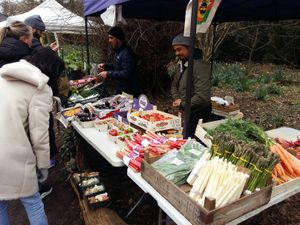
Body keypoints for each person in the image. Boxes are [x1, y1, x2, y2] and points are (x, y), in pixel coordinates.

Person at [0, 48, 65, 225]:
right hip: (11, 153)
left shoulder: (4, 75)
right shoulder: (41, 89)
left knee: (0, 205)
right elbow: (40, 136)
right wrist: (43, 167)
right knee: (33, 203)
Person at [25, 14, 59, 173]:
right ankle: (46, 160)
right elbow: (47, 66)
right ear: (34, 30)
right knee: (43, 127)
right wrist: (50, 54)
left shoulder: (24, 46)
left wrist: (48, 52)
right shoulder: (31, 46)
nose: (42, 33)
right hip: (37, 94)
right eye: (41, 31)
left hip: (28, 96)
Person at [170, 33, 212, 138]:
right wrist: (177, 99)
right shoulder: (182, 64)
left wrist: (183, 103)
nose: (177, 53)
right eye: (175, 50)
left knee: (192, 142)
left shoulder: (200, 66)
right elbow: (174, 85)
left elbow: (202, 96)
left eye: (179, 49)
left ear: (189, 48)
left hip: (199, 113)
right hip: (187, 111)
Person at [98, 26, 138, 96]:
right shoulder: (119, 51)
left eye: (111, 38)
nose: (109, 40)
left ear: (118, 39)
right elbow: (117, 66)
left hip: (128, 92)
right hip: (120, 89)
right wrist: (105, 65)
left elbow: (127, 73)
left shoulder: (127, 53)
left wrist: (108, 74)